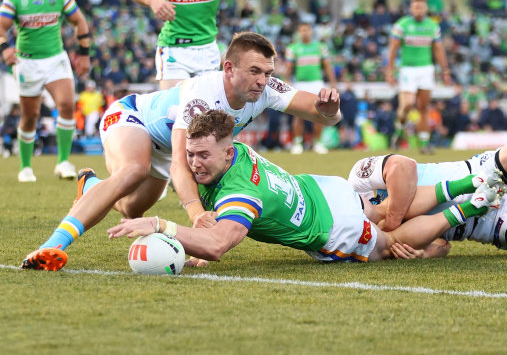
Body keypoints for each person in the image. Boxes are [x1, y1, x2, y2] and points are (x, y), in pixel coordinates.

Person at [20, 32, 342, 270]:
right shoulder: (204, 93)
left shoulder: (266, 90)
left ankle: (91, 187)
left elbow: (321, 113)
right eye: (255, 71)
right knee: (134, 170)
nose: (263, 80)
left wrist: (330, 109)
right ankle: (52, 247)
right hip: (134, 119)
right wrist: (196, 216)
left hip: (167, 147)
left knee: (131, 211)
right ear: (229, 68)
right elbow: (180, 164)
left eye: (268, 73)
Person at [106, 110, 500, 265]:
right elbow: (214, 224)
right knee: (381, 212)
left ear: (227, 155)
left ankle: (471, 206)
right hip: (320, 187)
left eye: (204, 156)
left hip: (332, 227)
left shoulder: (239, 193)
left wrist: (161, 225)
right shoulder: (235, 150)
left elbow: (219, 242)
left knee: (391, 244)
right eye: (191, 154)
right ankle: (468, 182)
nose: (194, 163)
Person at [348, 121, 507, 257]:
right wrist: (423, 254)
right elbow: (441, 245)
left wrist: (391, 223)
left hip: (485, 170)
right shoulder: (363, 238)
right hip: (488, 224)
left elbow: (403, 167)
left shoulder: (357, 180)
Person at [0, 0, 91, 182]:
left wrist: (84, 54)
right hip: (26, 61)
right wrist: (5, 48)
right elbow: (1, 26)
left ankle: (63, 162)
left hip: (55, 59)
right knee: (30, 116)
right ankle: (25, 167)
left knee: (67, 104)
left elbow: (79, 21)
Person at [122, 0, 260, 90]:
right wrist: (153, 0)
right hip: (174, 49)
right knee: (174, 112)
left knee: (206, 117)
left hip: (207, 48)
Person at [385, 0, 450, 154]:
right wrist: (390, 70)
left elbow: (438, 49)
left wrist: (445, 70)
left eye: (421, 8)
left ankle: (424, 142)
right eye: (415, 8)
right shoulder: (402, 25)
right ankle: (400, 129)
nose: (418, 11)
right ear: (410, 9)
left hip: (426, 69)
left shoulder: (433, 26)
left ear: (426, 9)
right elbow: (393, 49)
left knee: (424, 107)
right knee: (407, 104)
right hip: (408, 69)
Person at [286, 22, 337, 154]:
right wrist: (287, 81)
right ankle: (297, 143)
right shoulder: (293, 48)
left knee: (319, 114)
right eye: (302, 30)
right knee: (298, 115)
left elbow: (327, 66)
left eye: (307, 30)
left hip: (317, 83)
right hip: (300, 84)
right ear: (298, 32)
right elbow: (289, 67)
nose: (305, 33)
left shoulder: (320, 47)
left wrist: (332, 82)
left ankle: (318, 143)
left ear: (311, 32)